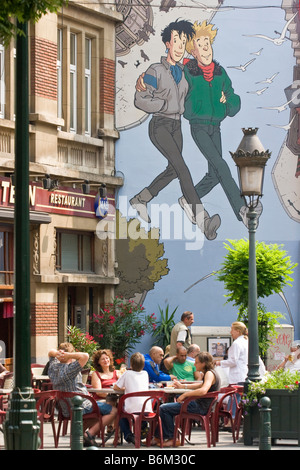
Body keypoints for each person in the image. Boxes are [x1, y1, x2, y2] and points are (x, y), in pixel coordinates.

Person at [133, 19, 221, 240]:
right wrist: (161, 105)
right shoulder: (155, 70)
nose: (181, 46)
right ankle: (202, 219)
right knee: (182, 169)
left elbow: (202, 81)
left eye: (184, 41)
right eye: (176, 41)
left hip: (176, 126)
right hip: (159, 125)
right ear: (167, 44)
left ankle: (140, 199)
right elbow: (140, 98)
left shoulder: (186, 72)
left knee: (173, 170)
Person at [183, 21, 258, 227]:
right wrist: (191, 107)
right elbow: (180, 97)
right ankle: (241, 209)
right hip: (198, 126)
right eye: (200, 42)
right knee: (221, 165)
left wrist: (227, 104)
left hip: (216, 126)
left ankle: (190, 197)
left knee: (214, 175)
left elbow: (234, 100)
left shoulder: (220, 72)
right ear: (193, 50)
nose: (205, 46)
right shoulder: (188, 72)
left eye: (207, 41)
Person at [48, 342, 117, 447]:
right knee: (113, 410)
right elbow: (85, 356)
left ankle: (78, 437)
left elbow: (50, 353)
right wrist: (69, 355)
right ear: (70, 355)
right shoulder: (70, 368)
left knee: (97, 413)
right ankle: (89, 434)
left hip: (65, 408)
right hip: (81, 405)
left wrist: (58, 353)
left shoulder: (53, 367)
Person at [152, 351, 220, 447]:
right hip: (201, 405)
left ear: (203, 363)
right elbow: (200, 385)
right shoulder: (211, 373)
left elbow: (203, 390)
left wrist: (185, 395)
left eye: (196, 362)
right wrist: (183, 386)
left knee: (164, 408)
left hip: (200, 407)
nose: (194, 364)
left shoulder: (209, 373)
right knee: (165, 408)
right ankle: (158, 437)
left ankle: (172, 438)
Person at [113, 352, 152, 445]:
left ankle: (128, 435)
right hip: (146, 409)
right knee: (138, 412)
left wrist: (125, 387)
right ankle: (141, 430)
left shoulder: (127, 373)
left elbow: (116, 387)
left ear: (131, 363)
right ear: (143, 365)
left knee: (120, 413)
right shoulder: (145, 374)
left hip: (132, 409)